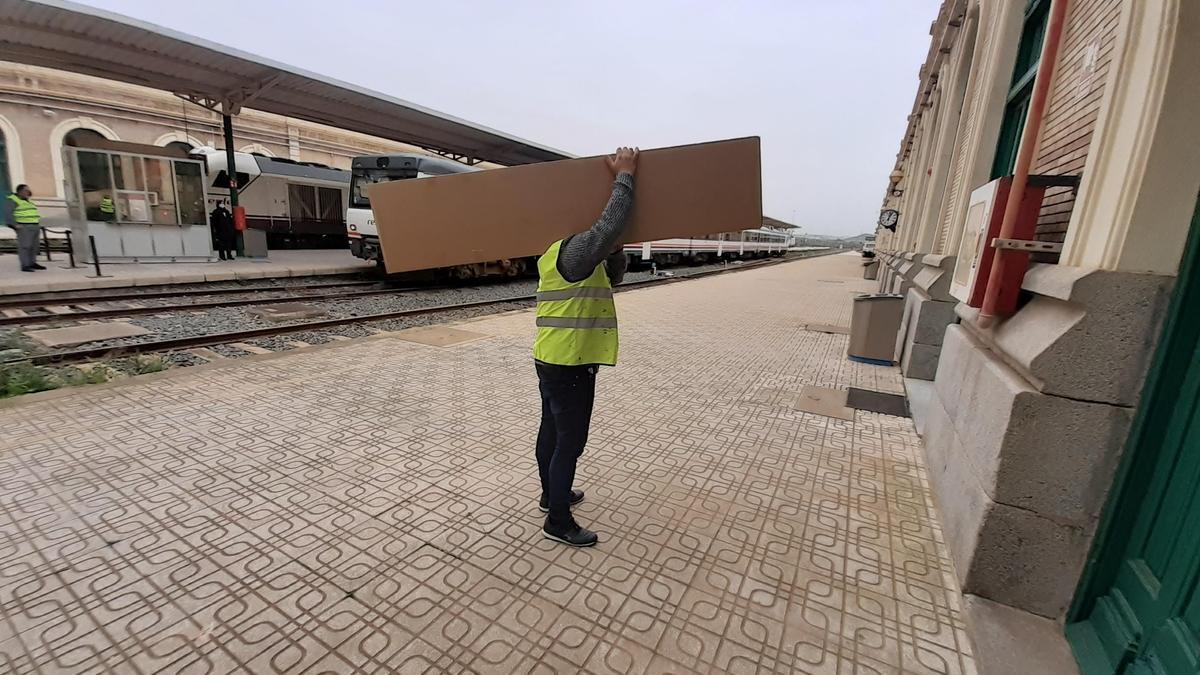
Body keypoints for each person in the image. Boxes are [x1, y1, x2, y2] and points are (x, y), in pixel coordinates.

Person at [534, 146, 638, 547]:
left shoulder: (558, 252)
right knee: (570, 442)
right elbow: (609, 226)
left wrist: (616, 252)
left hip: (553, 356)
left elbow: (613, 278)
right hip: (570, 364)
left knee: (552, 431)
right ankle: (558, 520)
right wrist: (624, 175)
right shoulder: (575, 251)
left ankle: (550, 495)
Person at [6, 184, 46, 272]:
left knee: (34, 246)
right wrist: (14, 225)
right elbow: (9, 214)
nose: (28, 192)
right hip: (24, 226)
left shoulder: (28, 201)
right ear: (20, 191)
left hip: (34, 225)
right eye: (26, 190)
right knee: (25, 246)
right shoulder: (13, 200)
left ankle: (32, 262)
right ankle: (25, 265)